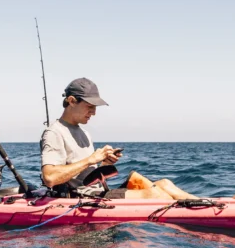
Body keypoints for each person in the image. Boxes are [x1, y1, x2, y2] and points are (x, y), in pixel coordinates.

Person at [40, 78, 199, 200]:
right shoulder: (54, 132)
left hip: (98, 191)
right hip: (80, 197)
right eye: (90, 106)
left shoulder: (84, 133)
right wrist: (90, 159)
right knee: (156, 194)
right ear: (72, 101)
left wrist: (104, 163)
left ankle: (207, 205)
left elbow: (84, 174)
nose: (94, 112)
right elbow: (50, 178)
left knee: (164, 183)